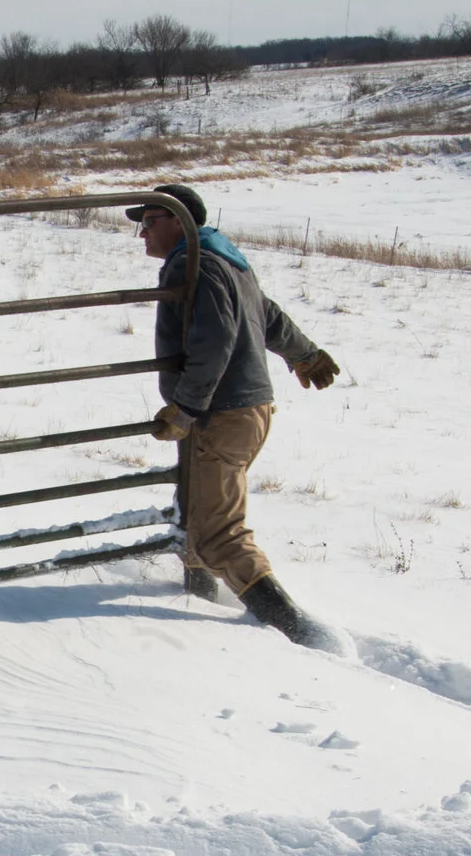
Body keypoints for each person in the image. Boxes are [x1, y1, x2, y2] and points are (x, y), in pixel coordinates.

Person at [131, 184, 342, 648]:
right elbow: (267, 316)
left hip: (220, 414)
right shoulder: (226, 258)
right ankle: (201, 597)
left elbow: (215, 340)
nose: (142, 233)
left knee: (216, 537)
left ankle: (303, 635)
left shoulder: (196, 264)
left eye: (149, 221)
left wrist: (186, 409)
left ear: (177, 219)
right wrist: (304, 354)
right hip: (247, 409)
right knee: (199, 514)